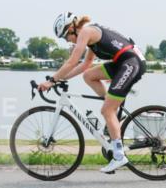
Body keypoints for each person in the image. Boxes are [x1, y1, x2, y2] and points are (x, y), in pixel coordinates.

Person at [43, 12, 146, 173]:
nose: (68, 41)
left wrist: (52, 80)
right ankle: (113, 109)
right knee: (89, 76)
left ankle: (119, 156)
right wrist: (63, 79)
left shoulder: (86, 32)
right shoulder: (90, 37)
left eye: (65, 37)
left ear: (71, 29)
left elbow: (72, 61)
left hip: (130, 63)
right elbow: (86, 65)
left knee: (106, 110)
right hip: (122, 63)